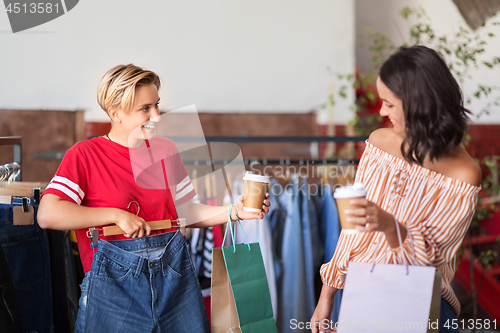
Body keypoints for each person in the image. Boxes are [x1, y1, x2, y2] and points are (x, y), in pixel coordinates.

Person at [37, 64, 270, 333]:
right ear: (115, 113)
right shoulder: (85, 155)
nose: (157, 116)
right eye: (145, 109)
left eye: (157, 105)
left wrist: (235, 211)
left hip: (175, 283)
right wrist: (115, 215)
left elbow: (187, 211)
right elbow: (47, 214)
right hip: (113, 293)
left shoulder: (165, 149)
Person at [310, 45, 482, 333]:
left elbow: (431, 263)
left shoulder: (464, 174)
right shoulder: (378, 144)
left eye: (389, 104)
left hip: (422, 304)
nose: (381, 111)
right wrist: (327, 296)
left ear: (419, 103)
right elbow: (352, 233)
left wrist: (392, 227)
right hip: (361, 291)